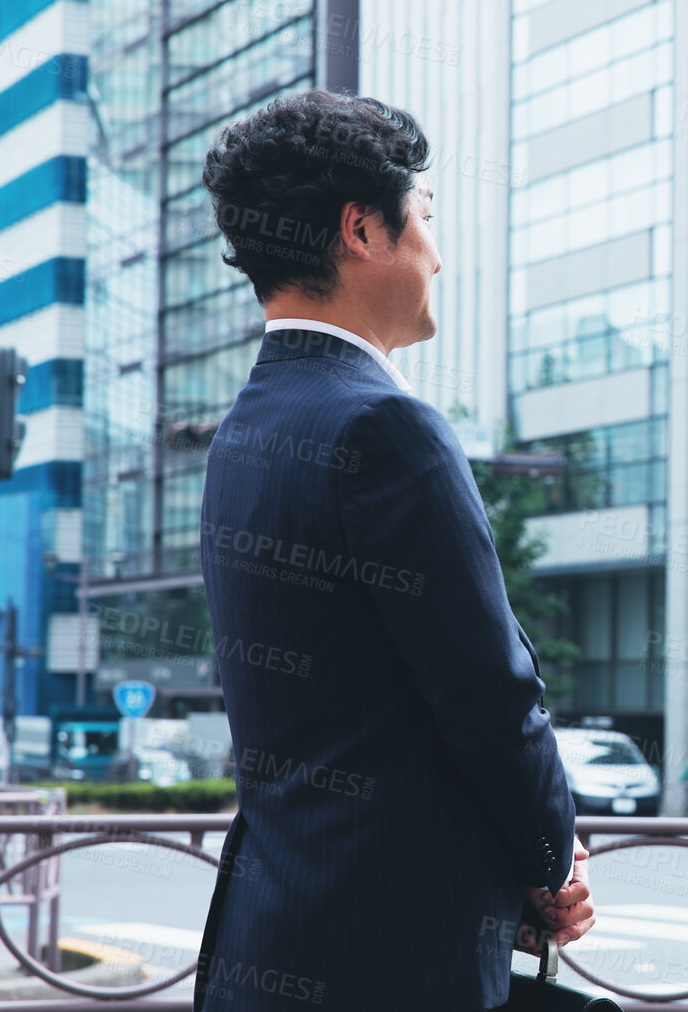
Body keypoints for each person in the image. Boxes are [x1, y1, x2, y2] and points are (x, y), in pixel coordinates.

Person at [192, 91, 592, 1012]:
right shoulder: (385, 424)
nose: (437, 255)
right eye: (425, 220)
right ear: (362, 228)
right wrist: (549, 862)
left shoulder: (246, 428)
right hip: (394, 947)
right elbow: (489, 689)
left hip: (275, 928)